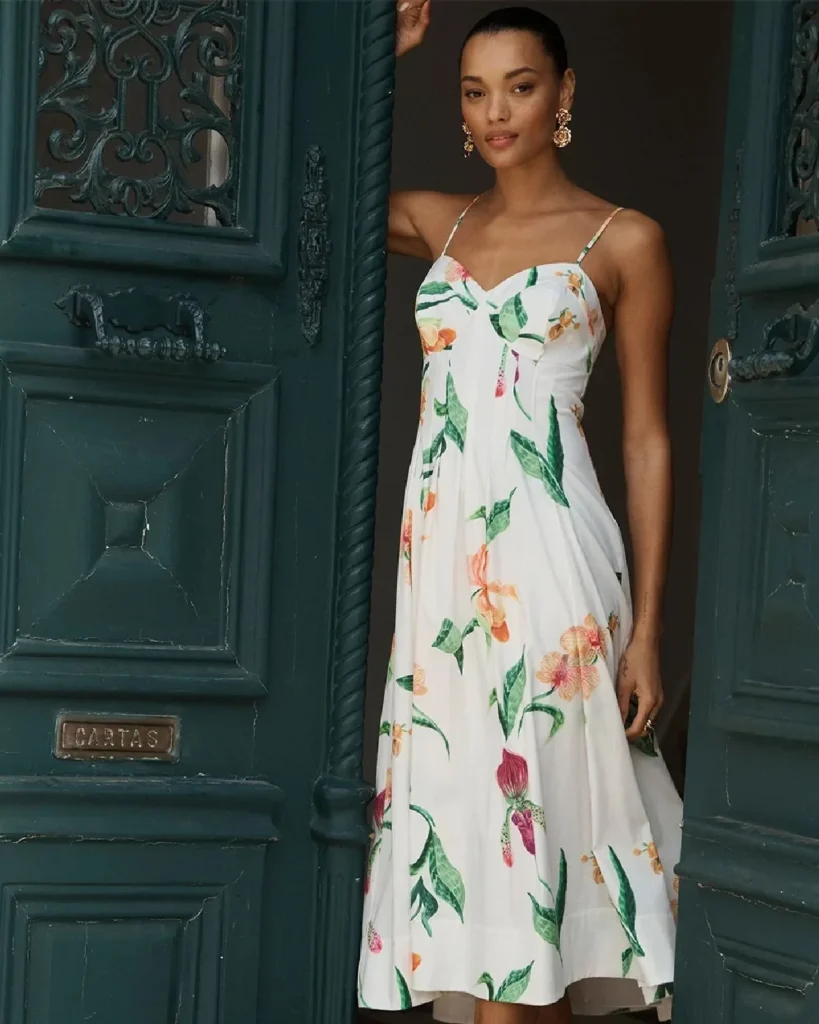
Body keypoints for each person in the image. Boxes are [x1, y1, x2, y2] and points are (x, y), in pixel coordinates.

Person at [358, 5, 682, 1022]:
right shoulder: (436, 222)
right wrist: (389, 50)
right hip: (444, 588)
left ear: (565, 93)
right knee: (475, 866)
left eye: (521, 85)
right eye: (473, 89)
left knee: (533, 863)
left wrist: (650, 634)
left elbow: (645, 440)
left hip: (552, 576)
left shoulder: (623, 239)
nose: (497, 111)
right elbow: (313, 187)